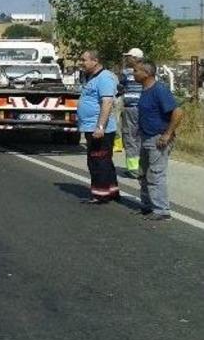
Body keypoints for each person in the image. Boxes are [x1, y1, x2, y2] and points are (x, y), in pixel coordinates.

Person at [133, 60, 183, 221]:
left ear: (147, 73)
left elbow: (178, 112)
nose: (133, 74)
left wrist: (167, 134)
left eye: (136, 71)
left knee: (155, 174)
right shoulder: (145, 90)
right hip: (146, 137)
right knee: (143, 173)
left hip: (158, 138)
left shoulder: (159, 90)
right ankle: (147, 206)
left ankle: (161, 210)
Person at [76, 50, 120, 204]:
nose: (81, 63)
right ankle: (111, 190)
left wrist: (100, 126)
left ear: (95, 61)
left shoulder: (104, 77)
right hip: (90, 126)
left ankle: (100, 194)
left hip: (100, 129)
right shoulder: (91, 77)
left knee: (97, 160)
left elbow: (107, 103)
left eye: (84, 60)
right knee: (104, 159)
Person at [119, 48, 144, 177]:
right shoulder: (148, 70)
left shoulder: (127, 73)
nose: (127, 59)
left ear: (135, 58)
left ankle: (133, 169)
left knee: (130, 137)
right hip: (144, 109)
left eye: (129, 57)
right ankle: (142, 167)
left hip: (131, 108)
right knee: (141, 137)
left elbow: (120, 86)